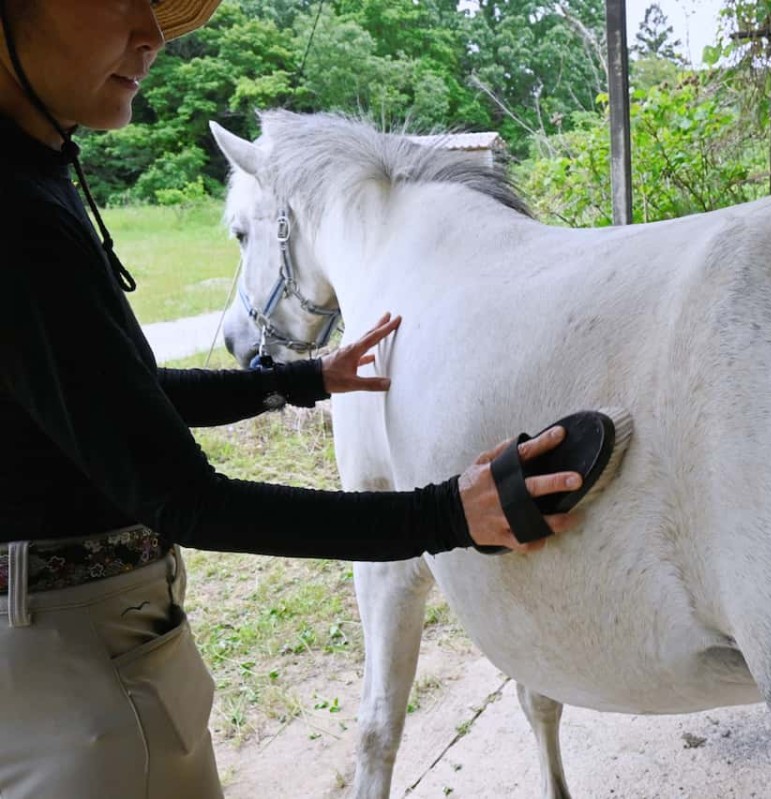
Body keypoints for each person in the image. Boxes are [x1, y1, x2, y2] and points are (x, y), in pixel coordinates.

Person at [0, 1, 583, 796]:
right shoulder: (21, 217)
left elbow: (117, 401)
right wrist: (449, 515)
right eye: (117, 1)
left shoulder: (37, 179)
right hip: (83, 676)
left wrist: (305, 379)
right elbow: (186, 499)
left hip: (76, 650)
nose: (152, 36)